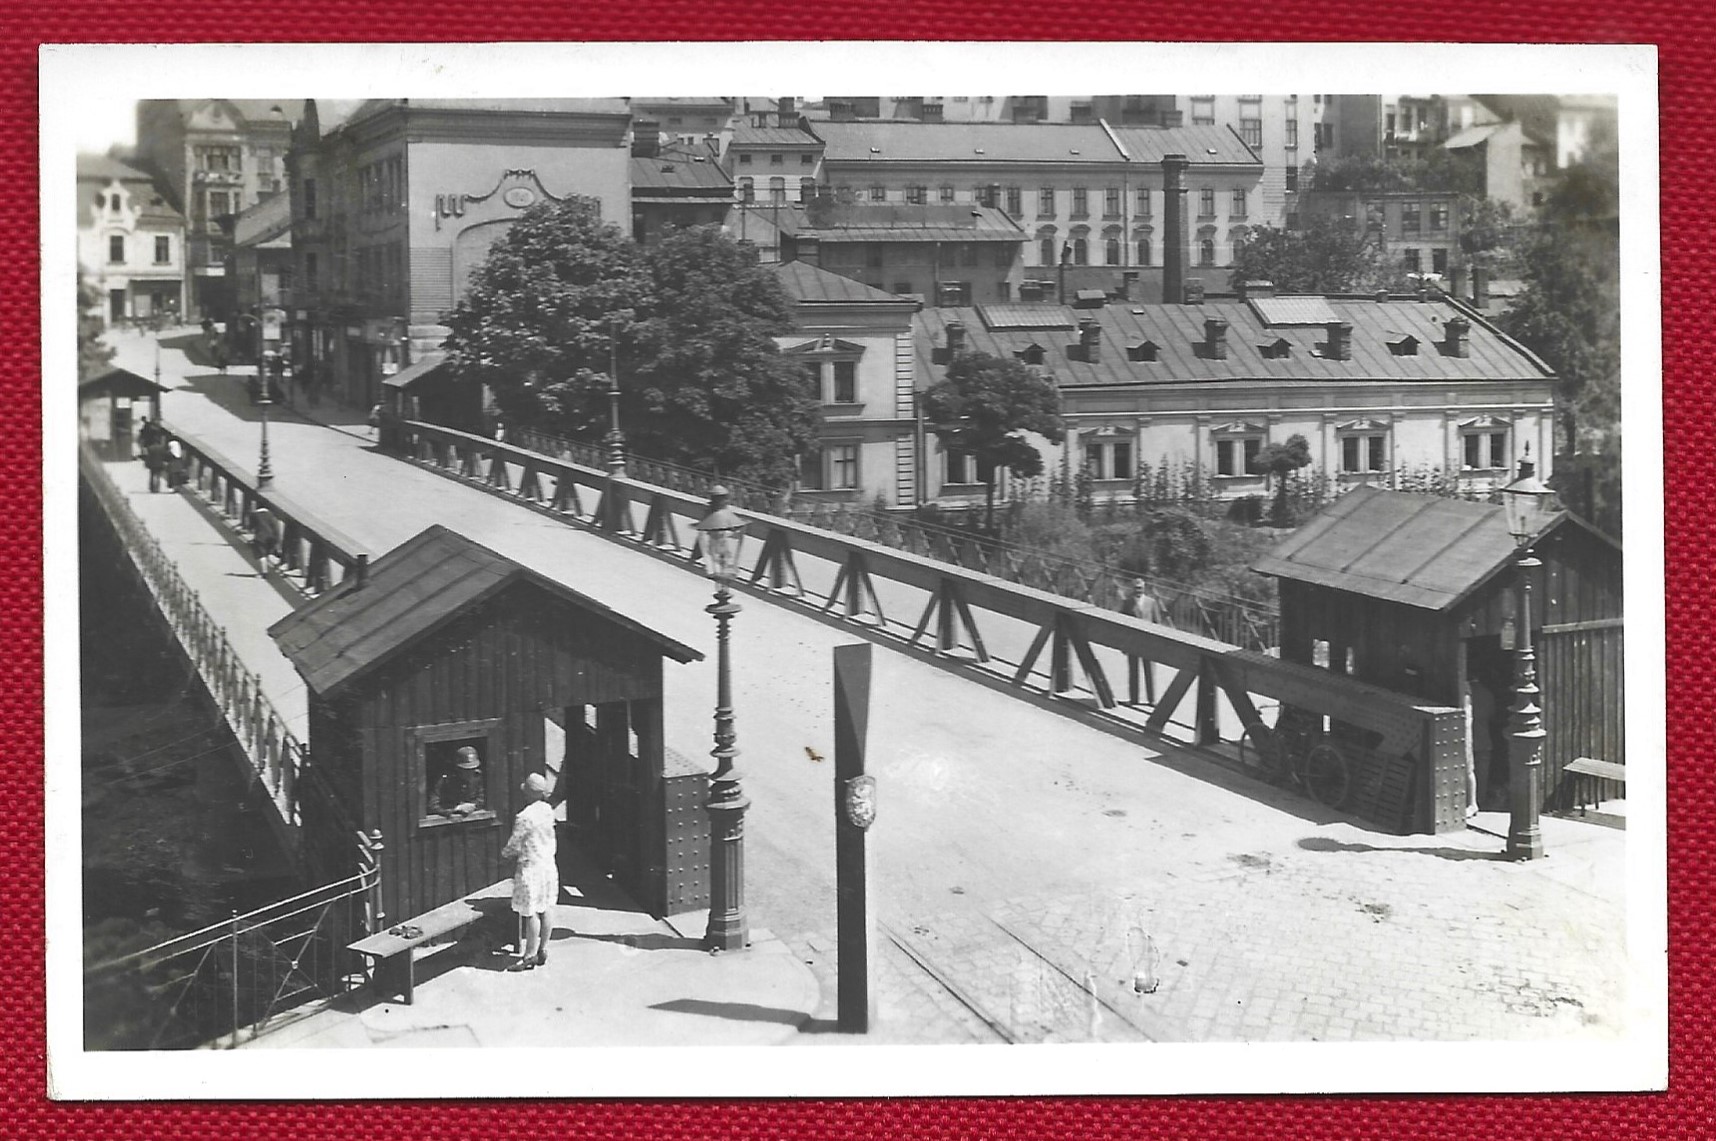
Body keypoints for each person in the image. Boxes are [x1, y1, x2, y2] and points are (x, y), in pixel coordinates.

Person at [501, 772, 558, 971]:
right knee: (547, 907)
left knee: (531, 912)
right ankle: (543, 949)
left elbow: (514, 845)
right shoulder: (547, 810)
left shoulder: (524, 817)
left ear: (527, 793)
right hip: (549, 867)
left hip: (531, 868)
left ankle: (528, 956)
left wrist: (504, 854)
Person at [432, 746, 484, 817]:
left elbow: (482, 799)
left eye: (473, 768)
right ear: (458, 769)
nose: (470, 772)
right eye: (466, 770)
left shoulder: (477, 778)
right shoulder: (445, 780)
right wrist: (454, 810)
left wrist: (472, 806)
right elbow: (433, 805)